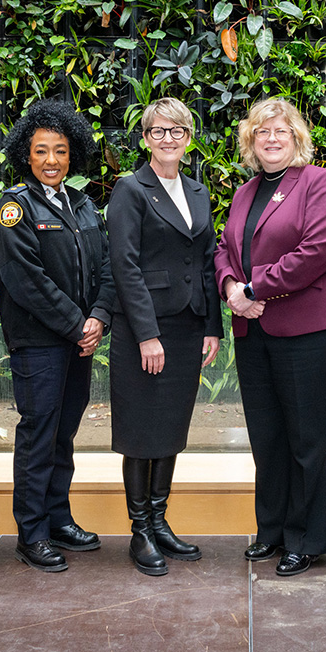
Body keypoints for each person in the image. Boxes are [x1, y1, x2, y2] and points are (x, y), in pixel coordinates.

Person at [214, 97, 326, 577]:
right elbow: (224, 248)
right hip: (254, 331)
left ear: (298, 139)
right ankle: (270, 530)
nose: (272, 139)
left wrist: (252, 287)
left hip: (308, 331)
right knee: (267, 438)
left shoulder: (317, 182)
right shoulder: (246, 191)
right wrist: (231, 287)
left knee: (305, 440)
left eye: (282, 132)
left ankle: (306, 539)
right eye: (262, 133)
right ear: (251, 141)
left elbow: (317, 249)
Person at [0, 99, 115, 573]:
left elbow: (106, 264)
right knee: (38, 435)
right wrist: (75, 323)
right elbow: (26, 278)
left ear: (73, 155)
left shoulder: (82, 203)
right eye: (42, 150)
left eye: (60, 151)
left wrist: (99, 316)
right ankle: (32, 533)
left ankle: (58, 517)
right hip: (40, 342)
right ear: (27, 154)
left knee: (63, 433)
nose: (51, 160)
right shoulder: (14, 207)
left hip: (79, 340)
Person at [106, 98, 222, 576]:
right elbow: (125, 267)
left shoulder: (197, 190)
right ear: (145, 138)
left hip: (188, 326)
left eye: (177, 131)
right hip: (145, 331)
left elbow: (208, 258)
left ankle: (159, 520)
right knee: (140, 432)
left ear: (188, 137)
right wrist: (146, 335)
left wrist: (212, 324)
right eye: (158, 131)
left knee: (171, 429)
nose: (168, 139)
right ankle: (139, 532)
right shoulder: (130, 190)